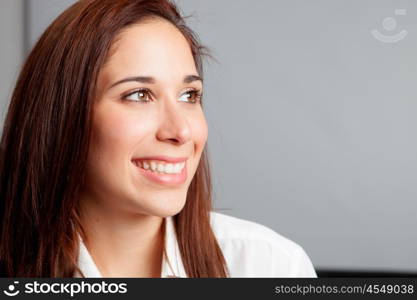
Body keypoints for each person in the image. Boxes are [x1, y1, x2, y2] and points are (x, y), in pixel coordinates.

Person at [0, 0, 316, 278]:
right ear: (62, 114)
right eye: (139, 95)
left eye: (189, 95)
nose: (181, 131)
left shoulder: (270, 267)